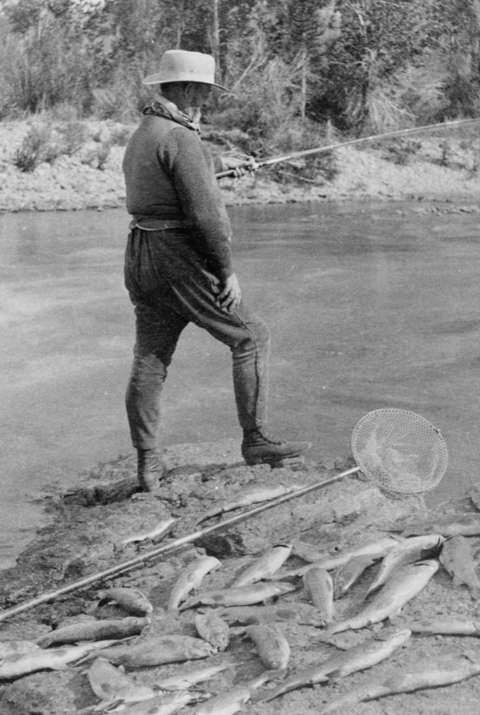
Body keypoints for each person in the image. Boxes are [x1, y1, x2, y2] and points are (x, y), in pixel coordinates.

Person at [122, 49, 311, 491]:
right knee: (250, 336)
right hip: (178, 256)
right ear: (187, 89)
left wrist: (223, 167)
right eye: (204, 92)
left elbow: (171, 175)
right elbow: (208, 219)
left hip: (140, 252)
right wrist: (226, 271)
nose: (206, 100)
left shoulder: (145, 132)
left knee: (150, 358)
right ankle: (257, 440)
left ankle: (148, 464)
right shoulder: (182, 139)